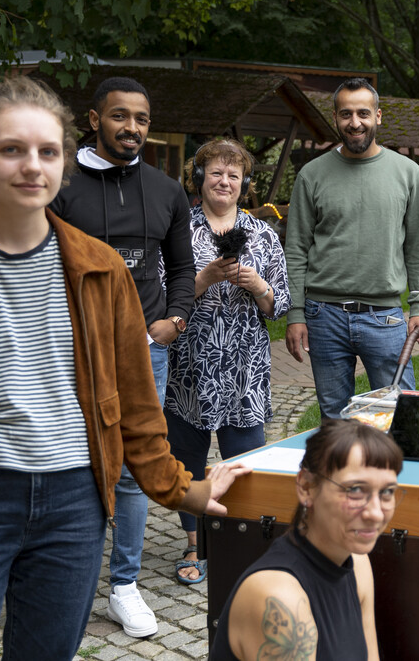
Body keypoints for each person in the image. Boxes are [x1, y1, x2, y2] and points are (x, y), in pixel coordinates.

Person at [0, 77, 247, 659]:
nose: (31, 166)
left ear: (65, 161)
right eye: (11, 149)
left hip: (74, 508)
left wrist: (182, 489)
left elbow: (138, 406)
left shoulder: (101, 269)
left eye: (47, 151)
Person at [49, 75, 196, 637]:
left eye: (140, 119)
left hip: (145, 352)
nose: (131, 127)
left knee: (136, 468)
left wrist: (173, 322)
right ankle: (66, 576)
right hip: (70, 352)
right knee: (72, 461)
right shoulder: (61, 186)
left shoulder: (166, 190)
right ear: (94, 119)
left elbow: (182, 268)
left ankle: (124, 586)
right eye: (119, 116)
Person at [165, 139, 292, 585]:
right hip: (190, 365)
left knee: (246, 456)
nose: (225, 181)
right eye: (216, 172)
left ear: (244, 184)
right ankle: (193, 543)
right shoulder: (179, 229)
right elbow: (162, 300)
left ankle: (243, 539)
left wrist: (258, 286)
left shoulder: (263, 234)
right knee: (187, 458)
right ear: (199, 179)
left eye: (233, 175)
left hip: (244, 366)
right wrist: (203, 279)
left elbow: (280, 304)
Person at [283, 78, 419, 418]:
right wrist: (296, 314)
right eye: (346, 114)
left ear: (378, 116)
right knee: (335, 419)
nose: (355, 122)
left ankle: (399, 474)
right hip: (324, 316)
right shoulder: (311, 175)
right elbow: (296, 250)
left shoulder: (407, 173)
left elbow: (417, 247)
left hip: (386, 317)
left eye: (363, 113)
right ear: (335, 118)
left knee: (400, 413)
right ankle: (339, 474)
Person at [209, 420, 403, 661]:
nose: (375, 512)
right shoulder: (278, 599)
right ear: (306, 486)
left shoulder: (357, 561)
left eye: (387, 492)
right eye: (355, 490)